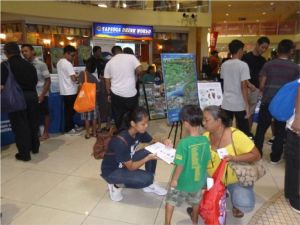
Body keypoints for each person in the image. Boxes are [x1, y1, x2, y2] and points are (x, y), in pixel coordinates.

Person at [101, 107, 172, 202]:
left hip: (125, 162)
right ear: (133, 124)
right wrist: (147, 158)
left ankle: (149, 185)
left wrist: (164, 141)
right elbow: (131, 167)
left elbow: (153, 142)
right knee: (147, 178)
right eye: (143, 124)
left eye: (147, 123)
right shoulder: (121, 141)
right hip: (112, 171)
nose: (146, 126)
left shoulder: (139, 131)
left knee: (151, 150)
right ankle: (115, 184)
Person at [202, 105, 261, 218]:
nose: (203, 123)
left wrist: (234, 158)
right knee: (190, 181)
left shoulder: (236, 136)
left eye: (207, 120)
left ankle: (234, 200)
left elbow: (256, 155)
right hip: (212, 176)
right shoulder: (205, 136)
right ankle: (217, 192)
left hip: (235, 179)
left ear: (218, 120)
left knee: (244, 204)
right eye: (203, 119)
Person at [165, 105, 211, 225]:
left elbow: (180, 164)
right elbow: (206, 160)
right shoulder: (205, 140)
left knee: (171, 201)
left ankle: (167, 223)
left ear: (185, 123)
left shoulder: (183, 143)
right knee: (196, 202)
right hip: (197, 181)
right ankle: (195, 221)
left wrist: (174, 180)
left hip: (182, 182)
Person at [254, 39, 299, 162]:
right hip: (284, 104)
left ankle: (258, 154)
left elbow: (262, 85)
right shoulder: (295, 68)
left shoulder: (269, 64)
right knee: (280, 131)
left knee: (261, 129)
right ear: (290, 51)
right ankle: (275, 157)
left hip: (267, 100)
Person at [1, 42, 39, 161]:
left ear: (6, 53)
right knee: (32, 123)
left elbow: (1, 86)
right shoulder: (29, 65)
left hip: (16, 99)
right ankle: (35, 148)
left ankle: (24, 154)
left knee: (20, 126)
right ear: (18, 52)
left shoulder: (5, 65)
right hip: (32, 96)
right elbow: (35, 81)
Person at [104, 45, 143, 129]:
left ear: (112, 53)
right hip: (131, 93)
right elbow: (140, 70)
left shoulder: (109, 63)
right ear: (121, 51)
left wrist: (108, 94)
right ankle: (133, 131)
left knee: (118, 115)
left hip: (116, 94)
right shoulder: (131, 57)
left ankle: (122, 132)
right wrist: (136, 74)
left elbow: (107, 82)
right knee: (133, 114)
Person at [220, 39, 252, 137]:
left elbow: (225, 80)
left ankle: (225, 148)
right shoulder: (243, 65)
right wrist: (247, 105)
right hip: (239, 103)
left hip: (226, 102)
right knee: (244, 131)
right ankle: (242, 150)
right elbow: (243, 86)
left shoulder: (224, 64)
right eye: (243, 50)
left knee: (225, 129)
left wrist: (250, 85)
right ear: (240, 50)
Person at [21, 44, 51, 141]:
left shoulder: (41, 64)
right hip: (30, 94)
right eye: (22, 52)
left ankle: (46, 132)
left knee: (45, 113)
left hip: (41, 93)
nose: (24, 53)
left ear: (32, 51)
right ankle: (36, 133)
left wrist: (42, 95)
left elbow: (48, 80)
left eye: (26, 51)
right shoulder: (23, 64)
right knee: (32, 115)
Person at [242, 36, 270, 129]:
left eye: (266, 48)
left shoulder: (263, 60)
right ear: (257, 44)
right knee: (242, 111)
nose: (264, 50)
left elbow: (262, 76)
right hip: (244, 88)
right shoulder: (245, 57)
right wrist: (248, 84)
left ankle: (248, 132)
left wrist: (261, 89)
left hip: (256, 90)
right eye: (262, 47)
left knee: (251, 112)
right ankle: (241, 132)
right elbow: (241, 75)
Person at [57, 45, 80, 135]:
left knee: (69, 111)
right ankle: (69, 128)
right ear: (66, 54)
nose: (73, 57)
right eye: (72, 55)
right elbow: (73, 79)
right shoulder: (67, 63)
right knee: (70, 111)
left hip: (64, 91)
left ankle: (71, 125)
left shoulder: (60, 62)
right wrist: (78, 79)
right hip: (70, 91)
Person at [285, 79, 300, 214]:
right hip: (297, 128)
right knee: (295, 164)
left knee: (294, 163)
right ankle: (293, 196)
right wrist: (298, 118)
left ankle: (291, 193)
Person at [90, 46, 111, 133]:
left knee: (105, 106)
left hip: (103, 85)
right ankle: (98, 125)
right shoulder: (90, 61)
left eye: (100, 51)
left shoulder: (102, 61)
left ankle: (107, 123)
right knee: (96, 106)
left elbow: (105, 73)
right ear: (94, 52)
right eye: (99, 51)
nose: (100, 53)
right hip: (93, 87)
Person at [78, 57, 100, 139]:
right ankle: (94, 133)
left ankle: (87, 133)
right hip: (93, 101)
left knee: (87, 119)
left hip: (85, 101)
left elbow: (80, 86)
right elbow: (98, 90)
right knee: (94, 118)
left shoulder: (82, 74)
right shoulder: (94, 78)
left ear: (86, 66)